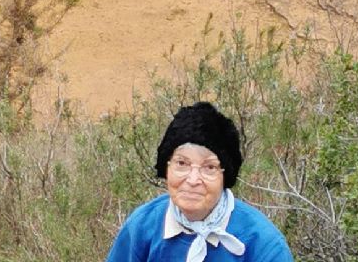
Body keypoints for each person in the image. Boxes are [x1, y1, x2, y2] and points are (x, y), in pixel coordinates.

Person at [107, 103, 295, 262]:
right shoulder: (142, 226)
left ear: (224, 177)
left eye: (209, 167)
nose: (193, 180)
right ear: (166, 167)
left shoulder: (263, 243)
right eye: (182, 163)